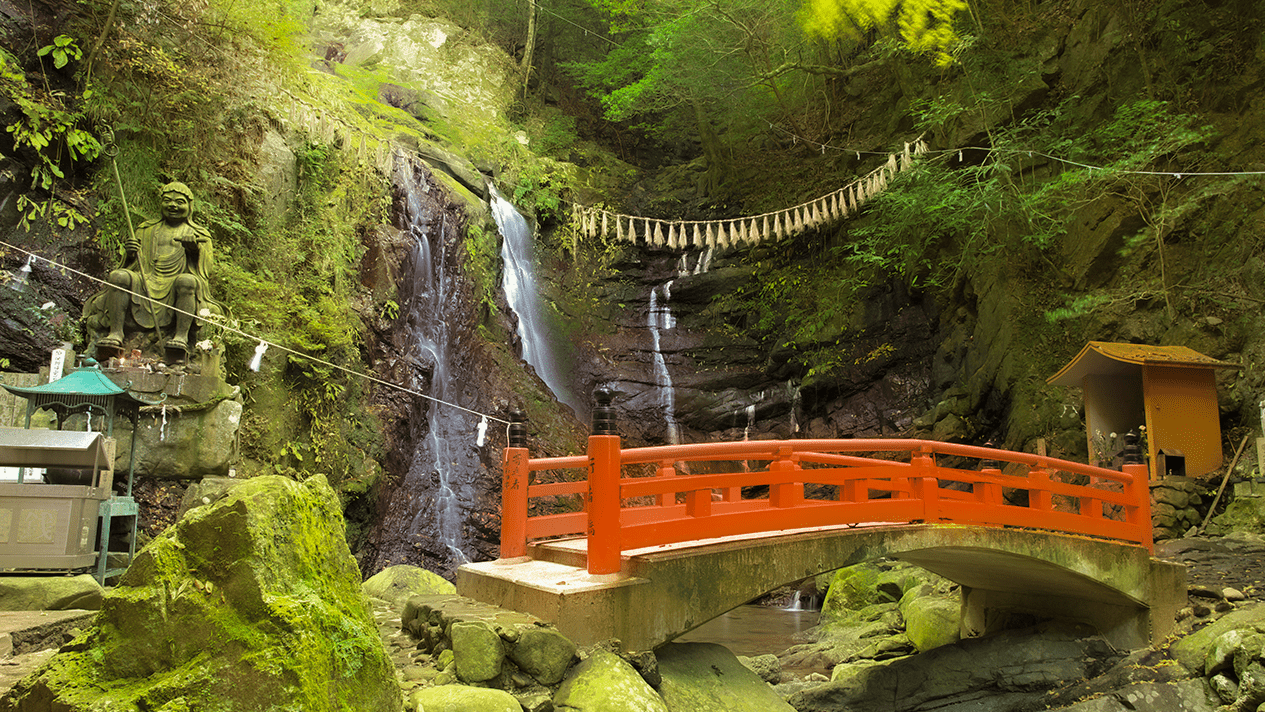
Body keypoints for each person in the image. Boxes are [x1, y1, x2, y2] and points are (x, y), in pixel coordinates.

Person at [86, 181, 218, 352]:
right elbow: (134, 264)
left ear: (189, 206)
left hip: (176, 282)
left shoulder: (198, 233)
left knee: (187, 281)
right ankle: (116, 333)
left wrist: (194, 250)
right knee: (118, 276)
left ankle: (181, 337)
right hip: (146, 278)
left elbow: (206, 269)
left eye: (179, 202)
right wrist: (131, 253)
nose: (172, 205)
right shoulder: (146, 229)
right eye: (167, 200)